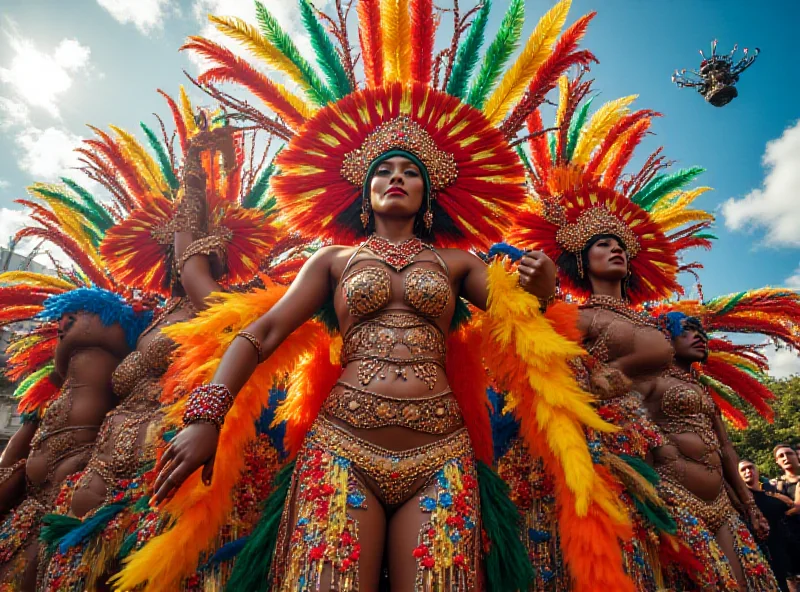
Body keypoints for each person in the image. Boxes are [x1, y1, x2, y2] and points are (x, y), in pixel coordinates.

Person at [0, 289, 149, 591]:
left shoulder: (131, 361)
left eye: (75, 315)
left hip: (78, 503)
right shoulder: (48, 394)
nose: (63, 324)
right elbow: (14, 451)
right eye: (61, 319)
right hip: (28, 512)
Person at [639, 312, 779, 591]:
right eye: (687, 330)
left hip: (721, 505)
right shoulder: (648, 380)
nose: (699, 337)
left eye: (701, 332)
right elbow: (636, 436)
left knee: (741, 583)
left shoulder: (702, 390)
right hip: (675, 499)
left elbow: (725, 447)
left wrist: (749, 505)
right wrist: (648, 500)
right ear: (664, 336)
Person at [740, 459, 797, 592]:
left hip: (782, 553)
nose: (748, 471)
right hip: (759, 556)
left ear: (757, 470)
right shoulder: (743, 501)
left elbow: (790, 505)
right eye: (743, 469)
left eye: (750, 468)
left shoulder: (770, 494)